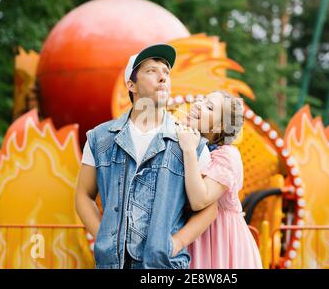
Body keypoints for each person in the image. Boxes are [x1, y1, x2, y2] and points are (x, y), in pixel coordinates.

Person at [75, 44, 217, 269]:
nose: (163, 77)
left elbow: (209, 208)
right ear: (131, 85)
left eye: (166, 72)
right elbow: (83, 195)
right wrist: (104, 239)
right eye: (152, 71)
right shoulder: (99, 138)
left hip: (164, 266)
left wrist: (176, 242)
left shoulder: (192, 143)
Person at [176, 91, 263, 268]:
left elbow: (199, 200)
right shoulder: (188, 141)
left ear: (220, 126)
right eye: (201, 99)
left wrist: (189, 150)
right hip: (191, 235)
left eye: (209, 107)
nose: (199, 104)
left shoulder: (227, 156)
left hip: (220, 241)